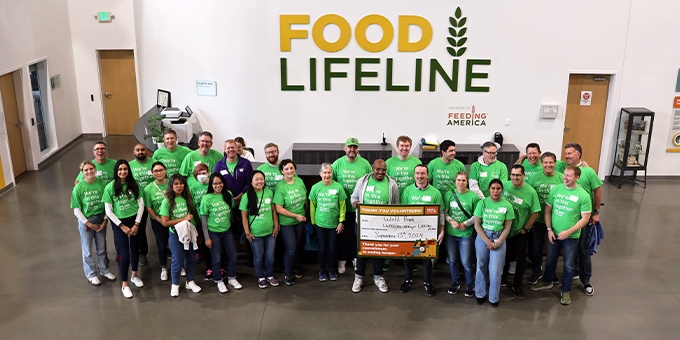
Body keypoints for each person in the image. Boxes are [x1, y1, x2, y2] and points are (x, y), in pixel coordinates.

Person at [531, 166, 592, 305]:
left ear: (576, 177)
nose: (565, 178)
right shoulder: (556, 189)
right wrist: (549, 229)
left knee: (569, 265)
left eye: (569, 176)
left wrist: (568, 232)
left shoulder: (583, 195)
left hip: (571, 237)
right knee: (551, 259)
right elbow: (547, 211)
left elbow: (585, 219)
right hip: (553, 233)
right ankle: (547, 280)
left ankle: (565, 290)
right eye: (564, 175)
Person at [350, 159, 399, 293]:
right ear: (373, 169)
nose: (380, 172)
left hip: (383, 225)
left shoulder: (392, 183)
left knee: (380, 251)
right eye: (378, 169)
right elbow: (353, 198)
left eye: (383, 170)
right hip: (364, 223)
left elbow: (396, 205)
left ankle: (378, 277)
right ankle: (358, 277)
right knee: (362, 251)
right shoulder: (362, 181)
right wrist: (355, 204)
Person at [559, 142, 602, 296]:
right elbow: (542, 162)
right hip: (567, 217)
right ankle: (573, 272)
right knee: (572, 249)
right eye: (566, 153)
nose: (567, 156)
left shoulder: (588, 171)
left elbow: (597, 192)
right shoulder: (562, 167)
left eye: (570, 153)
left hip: (583, 218)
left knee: (583, 250)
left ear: (579, 154)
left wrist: (596, 212)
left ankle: (586, 281)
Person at [399, 164, 445, 297]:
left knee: (426, 259)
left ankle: (427, 282)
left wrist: (442, 230)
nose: (420, 176)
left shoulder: (435, 192)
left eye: (423, 173)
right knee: (408, 257)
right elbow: (402, 212)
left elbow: (441, 213)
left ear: (427, 175)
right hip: (409, 231)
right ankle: (408, 280)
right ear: (414, 175)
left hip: (427, 233)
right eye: (417, 173)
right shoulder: (407, 191)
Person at [102, 159, 145, 299]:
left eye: (125, 169)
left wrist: (137, 224)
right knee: (125, 254)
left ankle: (134, 275)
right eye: (120, 169)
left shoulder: (134, 184)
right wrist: (121, 226)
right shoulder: (110, 187)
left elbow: (141, 205)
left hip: (134, 221)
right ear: (116, 171)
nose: (122, 172)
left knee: (135, 250)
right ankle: (125, 284)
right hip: (119, 223)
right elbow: (108, 211)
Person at [71, 160, 116, 285]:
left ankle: (104, 270)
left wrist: (105, 220)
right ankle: (91, 274)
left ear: (95, 169)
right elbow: (76, 210)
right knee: (87, 249)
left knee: (101, 247)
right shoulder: (78, 188)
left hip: (101, 218)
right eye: (86, 170)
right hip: (86, 221)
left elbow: (108, 203)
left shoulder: (102, 184)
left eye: (91, 169)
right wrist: (88, 223)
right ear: (82, 172)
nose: (89, 171)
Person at [332, 137, 372, 275]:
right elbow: (332, 184)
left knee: (357, 235)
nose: (352, 150)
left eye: (355, 147)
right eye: (350, 147)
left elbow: (369, 183)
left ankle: (356, 259)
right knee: (342, 235)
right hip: (342, 208)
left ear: (358, 149)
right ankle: (342, 260)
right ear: (345, 149)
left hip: (359, 209)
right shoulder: (337, 164)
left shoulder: (365, 164)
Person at [500, 164, 540, 299]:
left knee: (521, 259)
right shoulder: (504, 186)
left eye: (518, 175)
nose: (515, 177)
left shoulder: (530, 192)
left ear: (523, 176)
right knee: (504, 257)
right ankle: (503, 279)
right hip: (504, 230)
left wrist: (525, 228)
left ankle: (517, 285)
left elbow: (535, 212)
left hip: (519, 232)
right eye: (513, 174)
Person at [474, 179, 515, 307]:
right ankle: (480, 294)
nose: (495, 191)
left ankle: (493, 298)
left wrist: (498, 242)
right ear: (489, 189)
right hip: (483, 237)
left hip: (499, 238)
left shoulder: (507, 205)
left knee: (496, 270)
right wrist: (487, 241)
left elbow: (508, 227)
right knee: (481, 266)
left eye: (498, 188)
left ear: (502, 190)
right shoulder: (483, 203)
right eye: (493, 188)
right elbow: (477, 224)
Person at [160, 174, 202, 297]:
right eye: (176, 184)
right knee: (177, 261)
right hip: (176, 235)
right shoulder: (167, 201)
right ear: (171, 186)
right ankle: (175, 284)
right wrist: (183, 218)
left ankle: (190, 281)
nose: (179, 186)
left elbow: (194, 215)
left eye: (181, 183)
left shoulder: (188, 199)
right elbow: (165, 222)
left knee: (190, 258)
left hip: (190, 233)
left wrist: (198, 233)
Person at [200, 172, 242, 293]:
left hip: (227, 231)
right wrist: (207, 238)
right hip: (214, 232)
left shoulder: (227, 194)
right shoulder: (206, 198)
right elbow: (203, 219)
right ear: (211, 185)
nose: (218, 185)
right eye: (215, 183)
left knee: (233, 255)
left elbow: (233, 207)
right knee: (217, 258)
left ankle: (232, 278)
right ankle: (218, 280)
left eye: (220, 183)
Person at [526, 152, 564, 285]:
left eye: (551, 162)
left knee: (552, 249)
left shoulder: (561, 178)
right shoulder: (535, 178)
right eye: (545, 162)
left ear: (555, 163)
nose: (548, 165)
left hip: (555, 221)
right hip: (538, 219)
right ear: (542, 164)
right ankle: (536, 272)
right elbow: (529, 196)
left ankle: (550, 273)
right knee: (536, 248)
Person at [440, 172, 479, 297]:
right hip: (451, 234)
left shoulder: (473, 197)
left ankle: (470, 285)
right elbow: (444, 213)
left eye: (463, 180)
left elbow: (477, 216)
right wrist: (451, 221)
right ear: (455, 181)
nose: (460, 183)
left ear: (467, 181)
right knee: (452, 260)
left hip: (465, 235)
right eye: (458, 180)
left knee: (466, 262)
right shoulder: (448, 195)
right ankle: (455, 282)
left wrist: (466, 223)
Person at [241, 170, 279, 288]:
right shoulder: (246, 196)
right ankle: (261, 277)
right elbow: (244, 216)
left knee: (270, 256)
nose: (259, 181)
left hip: (270, 232)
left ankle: (270, 275)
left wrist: (276, 226)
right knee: (258, 256)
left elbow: (273, 210)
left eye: (261, 179)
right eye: (256, 179)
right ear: (251, 182)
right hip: (255, 234)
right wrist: (247, 232)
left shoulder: (268, 192)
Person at [309, 163, 347, 282]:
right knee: (322, 248)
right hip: (320, 224)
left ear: (332, 173)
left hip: (334, 224)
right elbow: (312, 206)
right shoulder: (315, 187)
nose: (327, 175)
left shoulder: (338, 187)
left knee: (332, 248)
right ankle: (322, 270)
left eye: (329, 172)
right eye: (324, 172)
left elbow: (342, 206)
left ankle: (332, 269)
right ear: (320, 174)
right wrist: (313, 221)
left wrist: (341, 221)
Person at [273, 159, 307, 285]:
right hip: (287, 223)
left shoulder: (299, 181)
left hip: (300, 221)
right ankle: (287, 273)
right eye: (286, 169)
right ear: (282, 171)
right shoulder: (280, 187)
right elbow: (278, 208)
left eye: (291, 168)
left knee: (296, 247)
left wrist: (305, 214)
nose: (289, 171)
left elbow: (304, 199)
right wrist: (295, 215)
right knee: (291, 248)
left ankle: (293, 268)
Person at [215, 139, 254, 239]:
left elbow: (249, 182)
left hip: (244, 200)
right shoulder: (219, 166)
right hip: (226, 201)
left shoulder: (246, 164)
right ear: (224, 150)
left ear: (237, 149)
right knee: (230, 227)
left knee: (244, 225)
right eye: (228, 148)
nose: (231, 150)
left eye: (233, 147)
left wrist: (239, 197)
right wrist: (229, 198)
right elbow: (216, 183)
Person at [143, 161, 171, 281]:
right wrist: (159, 220)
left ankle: (180, 265)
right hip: (158, 221)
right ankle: (164, 267)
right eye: (156, 171)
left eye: (161, 170)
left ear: (165, 171)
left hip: (174, 219)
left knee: (177, 244)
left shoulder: (172, 183)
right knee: (162, 245)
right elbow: (148, 208)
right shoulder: (148, 189)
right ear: (152, 173)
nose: (159, 173)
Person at [129, 143, 154, 266]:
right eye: (137, 150)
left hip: (155, 201)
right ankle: (142, 252)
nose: (140, 152)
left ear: (146, 151)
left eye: (143, 150)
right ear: (134, 152)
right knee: (141, 228)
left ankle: (165, 248)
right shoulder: (129, 166)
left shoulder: (154, 162)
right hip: (138, 203)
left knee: (160, 226)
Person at [188, 163, 211, 278]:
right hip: (199, 220)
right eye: (199, 174)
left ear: (208, 173)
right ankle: (208, 267)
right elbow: (191, 205)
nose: (202, 175)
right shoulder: (193, 188)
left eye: (204, 173)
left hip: (213, 220)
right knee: (202, 243)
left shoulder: (212, 185)